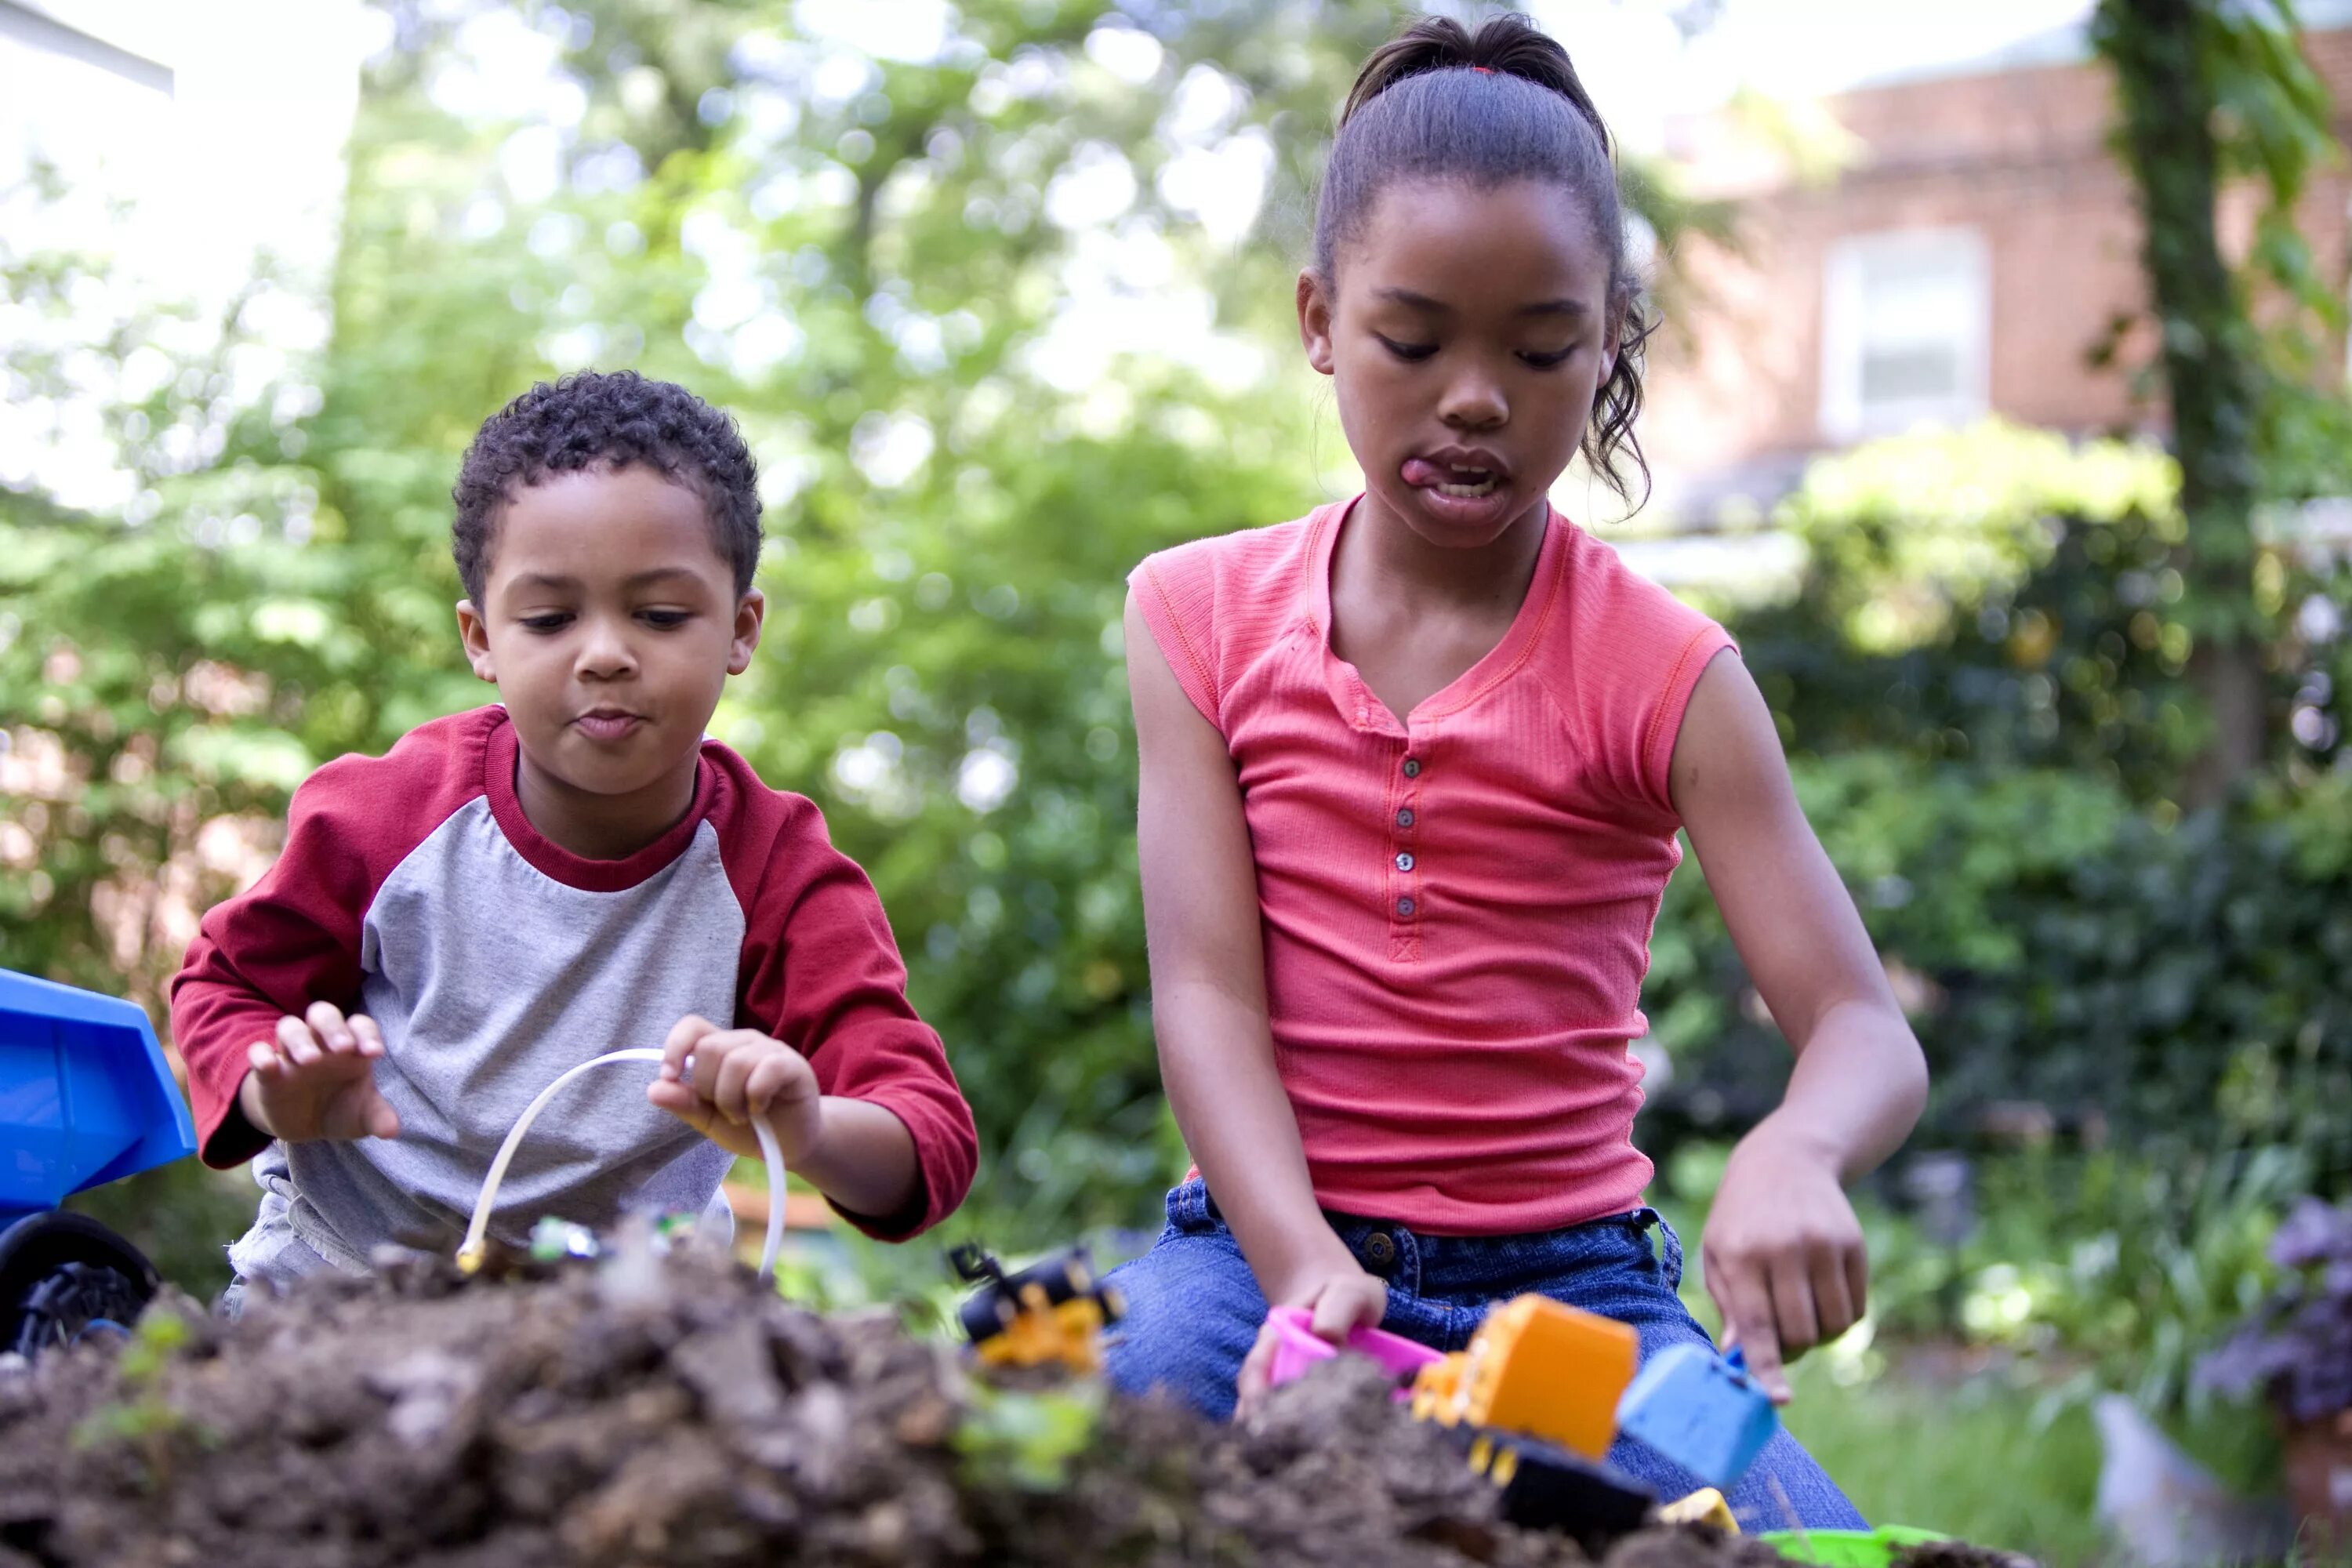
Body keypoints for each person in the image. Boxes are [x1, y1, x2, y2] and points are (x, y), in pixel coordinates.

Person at [1104, 13, 1926, 1531]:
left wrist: (1799, 1149)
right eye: (1413, 341)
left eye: (1541, 347)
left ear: (1606, 338)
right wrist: (1302, 1275)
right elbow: (1205, 992)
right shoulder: (1196, 620)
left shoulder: (1668, 672)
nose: (1475, 395)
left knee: (1790, 1539)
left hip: (1570, 1300)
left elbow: (1862, 1026)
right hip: (1259, 1259)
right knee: (1088, 1439)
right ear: (1317, 319)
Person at [171, 371, 977, 1303]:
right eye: (551, 618)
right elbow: (220, 983)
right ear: (481, 637)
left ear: (740, 628)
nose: (604, 652)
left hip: (620, 1334)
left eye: (661, 614)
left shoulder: (777, 871)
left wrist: (808, 1129)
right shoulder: (382, 816)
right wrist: (278, 1092)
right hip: (338, 1293)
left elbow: (928, 1137)